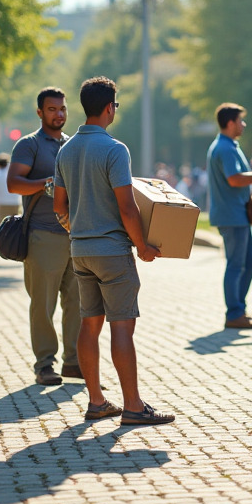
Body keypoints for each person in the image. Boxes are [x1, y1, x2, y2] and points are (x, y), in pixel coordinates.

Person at [53, 76, 173, 426]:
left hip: (81, 252)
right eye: (116, 106)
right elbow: (127, 207)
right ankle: (133, 406)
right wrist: (143, 246)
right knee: (122, 327)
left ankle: (96, 402)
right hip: (112, 252)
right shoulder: (115, 149)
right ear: (109, 108)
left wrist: (81, 231)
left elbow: (59, 206)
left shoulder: (66, 150)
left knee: (90, 325)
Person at [9, 87, 82, 387]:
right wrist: (48, 182)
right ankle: (44, 365)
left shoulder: (71, 144)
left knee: (78, 303)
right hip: (42, 236)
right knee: (43, 304)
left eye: (62, 108)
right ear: (40, 112)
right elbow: (14, 183)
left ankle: (75, 362)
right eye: (52, 109)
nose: (59, 114)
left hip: (75, 236)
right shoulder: (29, 145)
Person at [206, 104, 252, 329]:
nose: (243, 124)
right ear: (230, 123)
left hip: (238, 215)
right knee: (236, 265)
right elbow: (234, 179)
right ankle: (234, 313)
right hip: (232, 216)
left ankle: (238, 309)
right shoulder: (225, 148)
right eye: (240, 120)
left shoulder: (228, 145)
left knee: (250, 262)